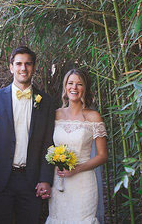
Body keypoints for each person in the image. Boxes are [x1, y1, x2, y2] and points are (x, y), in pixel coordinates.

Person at [0, 46, 56, 223]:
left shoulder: (46, 102)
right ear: (11, 67)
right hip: (0, 179)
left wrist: (45, 179)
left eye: (28, 64)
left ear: (34, 68)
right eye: (18, 63)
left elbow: (48, 144)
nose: (23, 68)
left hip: (32, 180)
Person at [46, 68, 108, 224]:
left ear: (85, 89)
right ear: (65, 87)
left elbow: (102, 156)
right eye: (70, 83)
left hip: (83, 182)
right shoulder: (55, 115)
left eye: (79, 84)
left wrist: (77, 169)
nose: (74, 88)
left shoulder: (93, 117)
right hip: (59, 182)